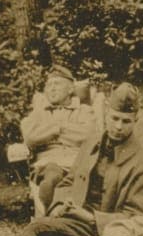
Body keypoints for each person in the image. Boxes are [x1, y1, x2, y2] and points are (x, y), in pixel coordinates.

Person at [9, 83, 143, 236]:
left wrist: (90, 217)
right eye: (114, 118)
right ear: (105, 115)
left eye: (126, 121)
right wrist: (60, 204)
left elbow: (138, 218)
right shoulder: (91, 144)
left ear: (136, 120)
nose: (118, 127)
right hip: (73, 220)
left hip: (107, 234)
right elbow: (68, 181)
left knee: (37, 230)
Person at [20, 66, 98, 212]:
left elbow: (89, 136)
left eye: (57, 84)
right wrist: (59, 130)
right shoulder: (39, 112)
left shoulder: (84, 110)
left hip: (77, 163)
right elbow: (30, 138)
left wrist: (55, 130)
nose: (52, 89)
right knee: (51, 175)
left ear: (70, 90)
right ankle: (51, 214)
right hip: (49, 164)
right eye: (49, 85)